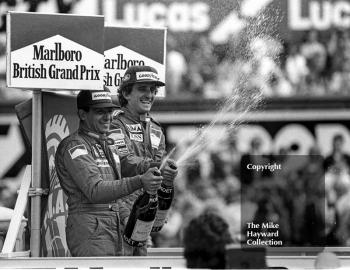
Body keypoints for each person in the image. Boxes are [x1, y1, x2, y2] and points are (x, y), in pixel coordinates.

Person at [55, 88, 163, 257]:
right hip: (90, 229)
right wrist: (140, 180)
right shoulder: (75, 146)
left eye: (109, 111)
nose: (107, 117)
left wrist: (130, 221)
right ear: (83, 114)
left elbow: (116, 197)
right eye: (100, 112)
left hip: (114, 226)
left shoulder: (109, 145)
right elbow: (95, 191)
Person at [111, 65, 178, 256]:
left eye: (152, 90)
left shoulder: (157, 129)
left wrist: (167, 176)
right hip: (118, 213)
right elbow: (123, 162)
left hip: (145, 212)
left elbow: (157, 173)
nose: (149, 94)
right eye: (142, 89)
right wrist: (157, 166)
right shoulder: (115, 124)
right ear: (126, 92)